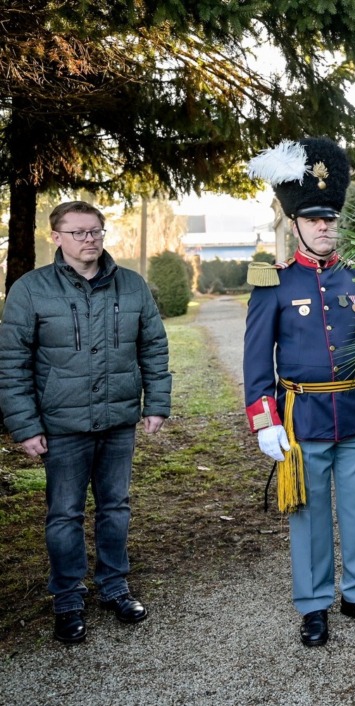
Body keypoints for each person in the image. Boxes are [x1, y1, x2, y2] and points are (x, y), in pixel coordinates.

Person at [0, 201, 171, 644]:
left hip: (118, 421)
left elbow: (153, 348)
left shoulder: (132, 286)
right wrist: (24, 425)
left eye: (95, 231)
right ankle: (68, 598)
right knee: (64, 514)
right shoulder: (31, 289)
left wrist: (157, 404)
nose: (89, 239)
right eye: (78, 232)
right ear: (55, 237)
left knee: (115, 508)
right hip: (61, 425)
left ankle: (115, 587)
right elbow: (12, 362)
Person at [243, 137, 355, 647]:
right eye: (313, 219)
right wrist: (265, 420)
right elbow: (256, 361)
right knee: (308, 517)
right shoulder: (273, 282)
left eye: (330, 218)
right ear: (295, 223)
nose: (324, 226)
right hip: (302, 418)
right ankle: (314, 604)